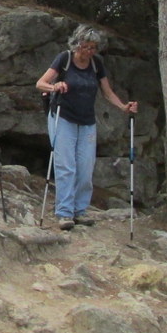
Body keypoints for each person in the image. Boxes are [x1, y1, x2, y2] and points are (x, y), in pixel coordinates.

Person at [35, 25, 138, 231]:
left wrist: (123, 107)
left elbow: (107, 92)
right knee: (66, 166)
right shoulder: (64, 59)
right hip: (62, 118)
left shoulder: (96, 64)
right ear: (77, 44)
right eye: (86, 47)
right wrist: (55, 86)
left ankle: (80, 210)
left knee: (85, 167)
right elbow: (40, 83)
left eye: (93, 48)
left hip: (87, 121)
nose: (89, 51)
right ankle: (64, 213)